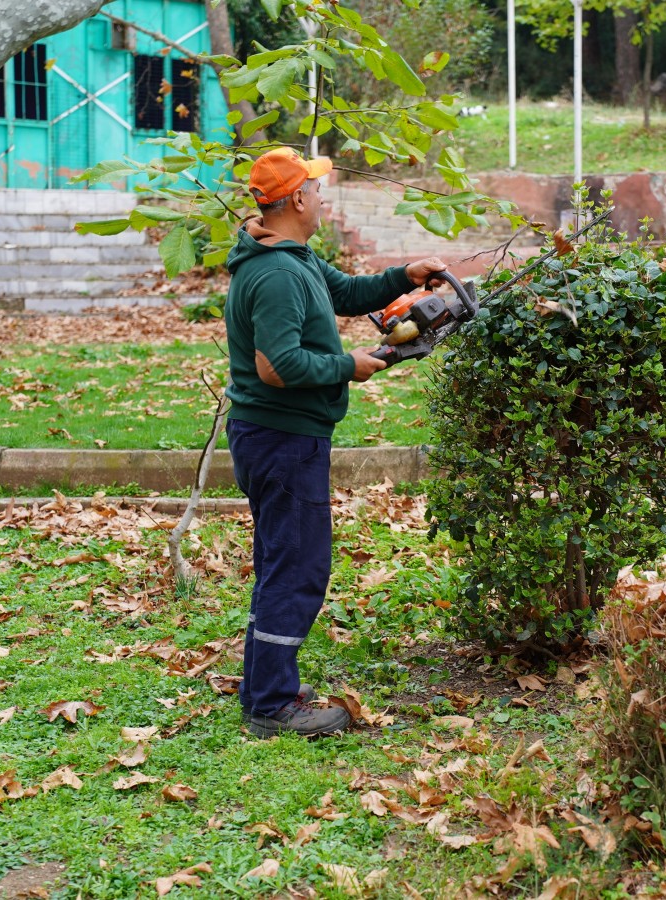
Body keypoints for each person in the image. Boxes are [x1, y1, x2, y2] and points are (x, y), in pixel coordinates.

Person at [223, 146, 448, 738]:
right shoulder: (274, 275)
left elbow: (347, 293)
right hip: (281, 438)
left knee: (281, 562)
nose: (323, 197)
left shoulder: (290, 257)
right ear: (297, 199)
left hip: (279, 437)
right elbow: (277, 366)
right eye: (317, 190)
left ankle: (265, 688)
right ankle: (271, 706)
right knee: (297, 567)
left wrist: (406, 277)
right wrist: (349, 365)